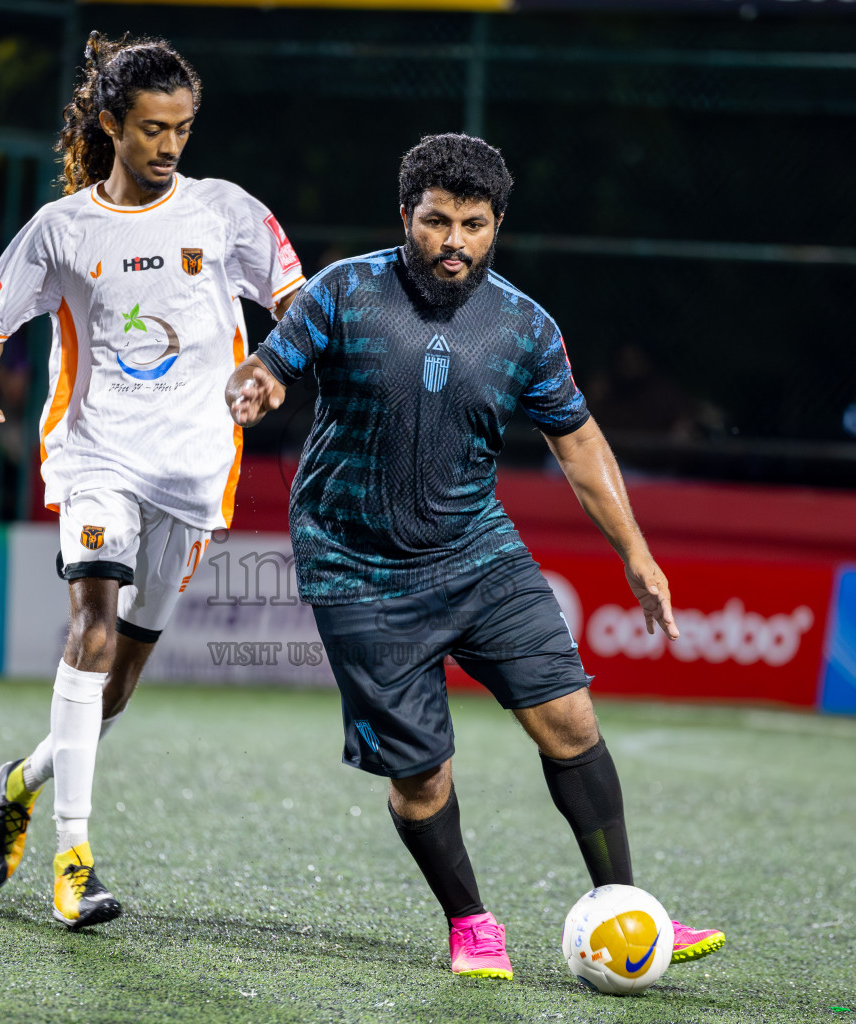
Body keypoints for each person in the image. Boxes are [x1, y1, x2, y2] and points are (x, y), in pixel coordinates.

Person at [225, 134, 724, 980]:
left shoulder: (527, 327)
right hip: (357, 567)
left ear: (498, 226)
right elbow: (273, 363)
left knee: (571, 722)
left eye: (475, 225)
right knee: (421, 778)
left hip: (476, 552)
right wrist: (259, 384)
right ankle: (471, 924)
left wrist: (636, 554)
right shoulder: (344, 290)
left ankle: (629, 908)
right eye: (436, 221)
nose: (454, 241)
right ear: (406, 217)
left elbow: (578, 444)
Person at [0, 33, 305, 930]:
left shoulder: (226, 213)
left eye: (181, 127)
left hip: (196, 473)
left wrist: (274, 369)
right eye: (150, 128)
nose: (169, 145)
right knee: (92, 632)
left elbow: (298, 310)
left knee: (120, 680)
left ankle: (20, 783)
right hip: (96, 455)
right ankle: (73, 859)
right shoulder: (63, 228)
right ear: (111, 124)